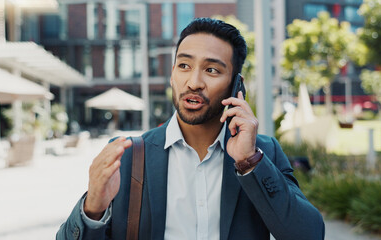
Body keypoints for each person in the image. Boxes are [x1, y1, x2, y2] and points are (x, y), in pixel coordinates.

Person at [57, 18, 325, 240]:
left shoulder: (262, 153)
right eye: (184, 66)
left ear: (236, 85)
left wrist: (249, 161)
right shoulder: (127, 155)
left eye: (211, 70)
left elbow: (309, 234)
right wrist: (93, 208)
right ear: (173, 74)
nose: (194, 81)